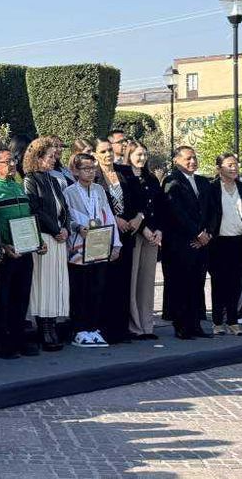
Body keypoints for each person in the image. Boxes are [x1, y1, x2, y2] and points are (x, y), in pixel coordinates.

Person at [0, 147, 41, 358]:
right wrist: (2, 245)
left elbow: (28, 217)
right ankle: (3, 343)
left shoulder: (18, 186)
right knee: (3, 300)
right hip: (5, 253)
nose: (12, 164)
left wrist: (37, 241)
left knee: (21, 298)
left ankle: (19, 339)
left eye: (13, 160)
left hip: (25, 251)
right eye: (6, 161)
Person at [63, 152, 121, 348]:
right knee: (80, 289)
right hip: (79, 247)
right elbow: (66, 218)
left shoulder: (99, 190)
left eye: (93, 168)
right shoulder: (69, 191)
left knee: (97, 288)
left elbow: (109, 216)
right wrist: (78, 227)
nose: (90, 172)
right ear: (76, 170)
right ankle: (79, 329)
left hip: (100, 244)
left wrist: (116, 243)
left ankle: (93, 327)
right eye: (86, 168)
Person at [161, 146, 214, 340]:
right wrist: (196, 233)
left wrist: (207, 233)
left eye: (194, 158)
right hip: (180, 243)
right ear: (176, 160)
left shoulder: (202, 181)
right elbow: (176, 212)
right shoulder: (171, 181)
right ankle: (181, 326)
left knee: (196, 285)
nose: (193, 161)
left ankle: (196, 325)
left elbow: (211, 210)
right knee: (180, 285)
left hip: (202, 243)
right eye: (188, 158)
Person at [23, 138, 70, 352]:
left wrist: (66, 227)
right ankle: (44, 329)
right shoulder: (31, 179)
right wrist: (55, 229)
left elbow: (64, 207)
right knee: (44, 285)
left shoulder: (52, 179)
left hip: (59, 237)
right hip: (45, 237)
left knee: (56, 283)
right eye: (50, 156)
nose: (54, 159)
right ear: (38, 158)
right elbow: (35, 210)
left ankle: (52, 326)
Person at [207, 153, 242, 336]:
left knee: (237, 282)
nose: (234, 168)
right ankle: (218, 321)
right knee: (219, 283)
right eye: (229, 165)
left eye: (236, 164)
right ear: (219, 168)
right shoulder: (211, 188)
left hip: (240, 242)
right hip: (218, 243)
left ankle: (233, 321)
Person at [95, 140, 140, 344]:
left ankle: (122, 328)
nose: (107, 155)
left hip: (128, 233)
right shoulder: (94, 176)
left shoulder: (125, 172)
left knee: (124, 280)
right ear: (96, 155)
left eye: (109, 150)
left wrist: (137, 217)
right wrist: (115, 219)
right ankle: (107, 329)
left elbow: (139, 198)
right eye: (102, 152)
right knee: (107, 282)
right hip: (106, 233)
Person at [123, 141, 164, 340]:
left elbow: (159, 206)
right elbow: (128, 207)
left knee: (148, 281)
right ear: (129, 155)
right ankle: (135, 326)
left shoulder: (151, 179)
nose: (142, 158)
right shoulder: (125, 177)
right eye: (138, 154)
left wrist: (158, 230)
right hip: (134, 234)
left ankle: (147, 325)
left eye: (145, 154)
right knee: (132, 280)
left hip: (152, 234)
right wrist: (143, 229)